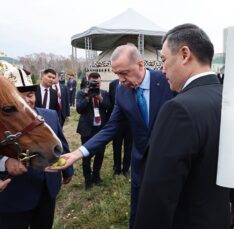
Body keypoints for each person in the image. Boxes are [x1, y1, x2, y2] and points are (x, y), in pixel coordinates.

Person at [49, 44, 174, 228]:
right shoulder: (123, 92)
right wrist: (77, 154)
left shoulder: (167, 81)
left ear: (140, 65)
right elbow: (111, 127)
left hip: (169, 164)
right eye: (117, 74)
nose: (121, 80)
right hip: (141, 165)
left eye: (124, 73)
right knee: (139, 215)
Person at [133, 23, 230, 229]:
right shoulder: (228, 99)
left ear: (185, 54)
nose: (162, 68)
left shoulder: (179, 109)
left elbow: (158, 197)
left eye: (164, 59)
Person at [0, 67, 74, 229]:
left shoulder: (49, 115)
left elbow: (61, 143)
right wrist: (4, 161)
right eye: (19, 95)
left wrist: (68, 170)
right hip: (14, 196)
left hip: (46, 191)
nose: (27, 100)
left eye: (30, 94)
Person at [76, 72, 111, 190]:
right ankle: (88, 180)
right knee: (86, 155)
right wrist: (88, 97)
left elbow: (109, 107)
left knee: (100, 154)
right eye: (93, 82)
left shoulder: (105, 93)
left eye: (98, 82)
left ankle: (96, 177)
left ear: (100, 81)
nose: (96, 84)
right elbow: (79, 109)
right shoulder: (81, 93)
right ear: (88, 81)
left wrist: (100, 98)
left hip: (101, 128)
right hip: (87, 128)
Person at [109, 79, 132, 177]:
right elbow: (111, 102)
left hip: (130, 122)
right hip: (117, 122)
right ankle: (117, 167)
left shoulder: (131, 83)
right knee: (116, 146)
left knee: (129, 146)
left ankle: (126, 168)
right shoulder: (113, 84)